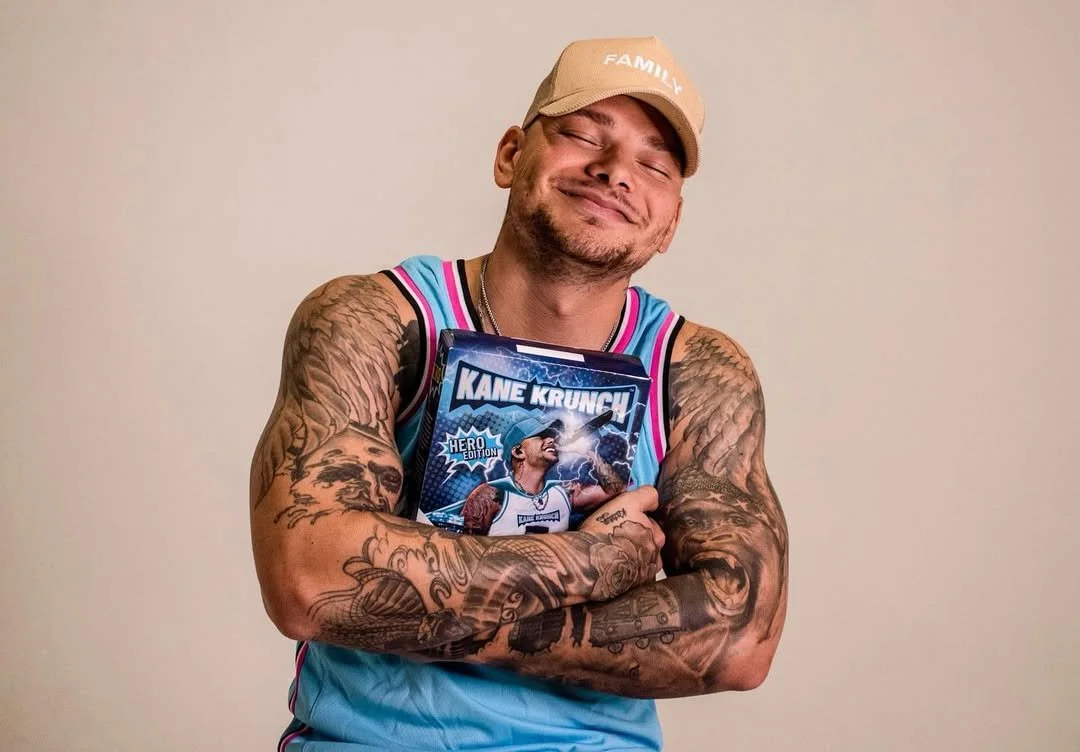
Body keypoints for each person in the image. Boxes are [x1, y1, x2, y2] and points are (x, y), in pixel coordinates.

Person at [250, 35, 789, 752]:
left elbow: (739, 638)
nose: (613, 172)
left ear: (670, 221)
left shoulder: (698, 371)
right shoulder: (375, 320)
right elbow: (311, 581)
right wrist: (595, 566)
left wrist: (424, 600)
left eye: (652, 164)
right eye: (581, 135)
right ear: (511, 155)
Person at [459, 417, 625, 535]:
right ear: (518, 451)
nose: (551, 440)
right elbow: (468, 550)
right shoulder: (490, 494)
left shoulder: (564, 491)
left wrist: (589, 454)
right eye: (541, 436)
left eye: (551, 436)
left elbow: (614, 490)